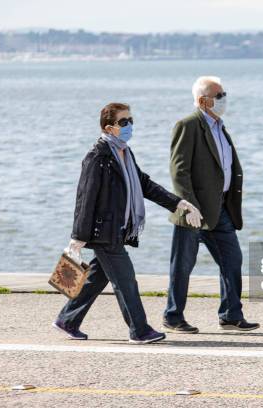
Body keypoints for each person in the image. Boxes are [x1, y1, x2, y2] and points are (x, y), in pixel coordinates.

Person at [53, 102, 202, 344]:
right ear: (109, 128)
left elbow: (143, 184)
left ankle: (67, 320)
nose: (129, 126)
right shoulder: (97, 156)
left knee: (95, 278)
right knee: (126, 281)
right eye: (124, 122)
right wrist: (78, 237)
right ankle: (139, 330)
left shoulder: (124, 153)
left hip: (118, 229)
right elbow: (85, 197)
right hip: (103, 231)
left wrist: (177, 203)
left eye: (131, 120)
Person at [163, 76, 259, 333]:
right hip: (194, 211)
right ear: (203, 101)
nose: (224, 99)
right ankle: (173, 316)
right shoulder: (188, 125)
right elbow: (179, 172)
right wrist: (189, 206)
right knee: (182, 266)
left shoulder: (219, 126)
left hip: (221, 210)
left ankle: (230, 314)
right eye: (219, 95)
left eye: (223, 94)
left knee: (232, 260)